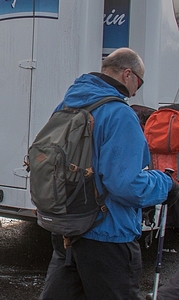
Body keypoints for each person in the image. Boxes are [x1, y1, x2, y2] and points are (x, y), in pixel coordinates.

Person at [38, 48, 179, 299]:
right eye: (139, 81)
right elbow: (126, 184)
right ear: (128, 74)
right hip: (107, 234)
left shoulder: (68, 103)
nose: (137, 90)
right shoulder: (119, 113)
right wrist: (166, 184)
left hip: (67, 228)